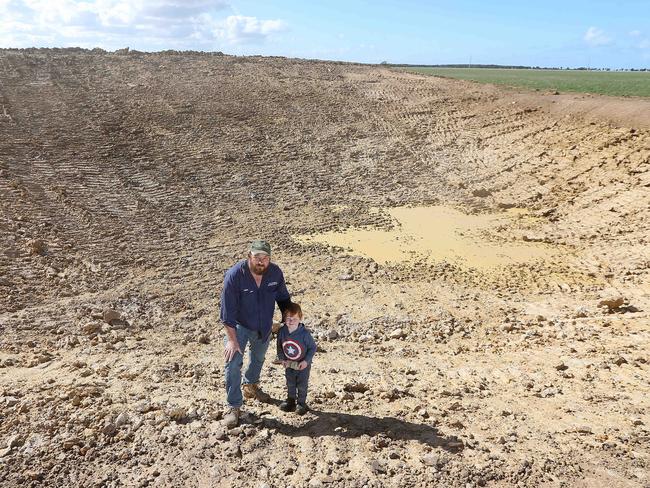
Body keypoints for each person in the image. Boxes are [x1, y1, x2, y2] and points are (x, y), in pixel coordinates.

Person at [220, 239, 292, 428]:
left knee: (258, 358)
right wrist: (232, 340)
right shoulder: (235, 276)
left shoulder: (275, 273)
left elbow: (283, 298)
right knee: (233, 362)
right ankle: (234, 406)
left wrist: (289, 321)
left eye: (265, 257)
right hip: (239, 326)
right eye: (257, 257)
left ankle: (251, 386)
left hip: (264, 326)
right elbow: (226, 315)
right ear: (249, 256)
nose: (261, 261)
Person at [276, 302, 317, 415]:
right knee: (290, 382)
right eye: (288, 318)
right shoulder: (282, 331)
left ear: (300, 318)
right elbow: (279, 346)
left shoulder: (304, 334)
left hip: (302, 365)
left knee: (302, 384)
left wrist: (306, 361)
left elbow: (313, 347)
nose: (290, 321)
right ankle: (291, 400)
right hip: (289, 363)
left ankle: (301, 403)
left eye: (294, 318)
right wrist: (282, 358)